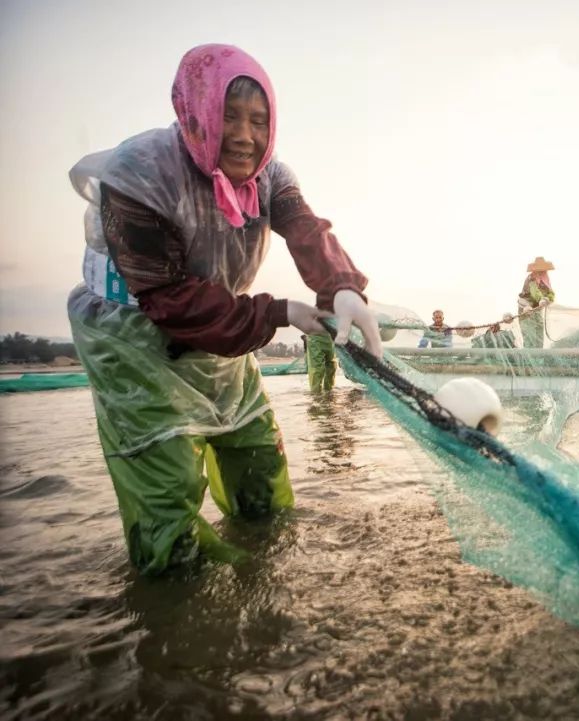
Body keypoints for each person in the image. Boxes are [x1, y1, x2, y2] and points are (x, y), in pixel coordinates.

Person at [66, 44, 383, 575]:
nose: (244, 135)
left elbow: (305, 229)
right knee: (167, 491)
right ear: (194, 110)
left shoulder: (269, 176)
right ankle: (174, 609)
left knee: (258, 460)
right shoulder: (138, 177)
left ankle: (263, 583)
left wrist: (342, 287)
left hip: (226, 327)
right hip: (134, 336)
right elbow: (167, 298)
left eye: (258, 121)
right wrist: (278, 312)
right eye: (228, 116)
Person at [517, 257, 555, 348]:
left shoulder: (545, 279)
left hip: (537, 308)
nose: (542, 272)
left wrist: (548, 299)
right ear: (535, 270)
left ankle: (539, 355)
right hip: (525, 309)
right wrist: (541, 299)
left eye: (543, 270)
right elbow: (535, 292)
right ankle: (529, 358)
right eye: (540, 270)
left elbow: (551, 293)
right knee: (529, 334)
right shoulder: (531, 278)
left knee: (539, 331)